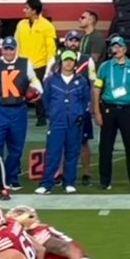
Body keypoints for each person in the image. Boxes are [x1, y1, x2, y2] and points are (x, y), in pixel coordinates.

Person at [0, 36, 40, 195]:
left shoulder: (25, 63)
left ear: (16, 49)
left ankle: (11, 177)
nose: (8, 51)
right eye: (6, 48)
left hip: (19, 108)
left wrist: (36, 92)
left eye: (11, 48)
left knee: (16, 148)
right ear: (2, 49)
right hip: (0, 108)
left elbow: (35, 83)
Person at [91, 34, 130, 192]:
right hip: (108, 108)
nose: (117, 49)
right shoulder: (105, 67)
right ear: (111, 49)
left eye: (120, 46)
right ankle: (105, 180)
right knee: (106, 146)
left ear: (125, 49)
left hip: (128, 109)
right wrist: (96, 111)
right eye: (114, 46)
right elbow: (97, 88)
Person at [36, 50, 89, 194]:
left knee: (72, 153)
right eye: (66, 60)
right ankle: (47, 184)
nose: (68, 63)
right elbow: (46, 99)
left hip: (74, 122)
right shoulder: (51, 80)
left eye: (71, 60)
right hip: (57, 122)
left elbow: (85, 100)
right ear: (61, 62)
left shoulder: (81, 81)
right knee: (53, 153)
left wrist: (79, 113)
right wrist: (53, 113)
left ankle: (69, 182)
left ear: (74, 63)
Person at [14, 0, 57, 126]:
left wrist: (49, 67)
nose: (24, 10)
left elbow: (51, 48)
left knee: (39, 92)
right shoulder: (21, 24)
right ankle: (19, 116)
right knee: (19, 91)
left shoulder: (47, 26)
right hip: (23, 63)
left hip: (40, 64)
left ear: (34, 10)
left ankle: (42, 117)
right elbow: (17, 43)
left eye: (27, 8)